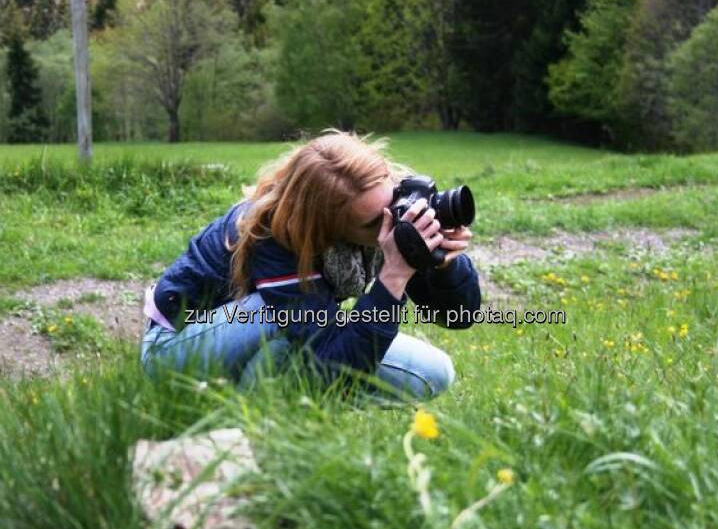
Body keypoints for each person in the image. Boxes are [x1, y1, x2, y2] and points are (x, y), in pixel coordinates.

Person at [139, 129, 481, 400]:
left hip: (284, 329)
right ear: (325, 225)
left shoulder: (391, 208)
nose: (387, 228)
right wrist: (393, 277)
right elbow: (334, 369)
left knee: (433, 373)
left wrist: (441, 264)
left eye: (390, 208)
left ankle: (259, 399)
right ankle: (249, 417)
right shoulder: (274, 233)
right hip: (174, 353)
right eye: (370, 225)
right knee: (280, 321)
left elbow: (460, 316)